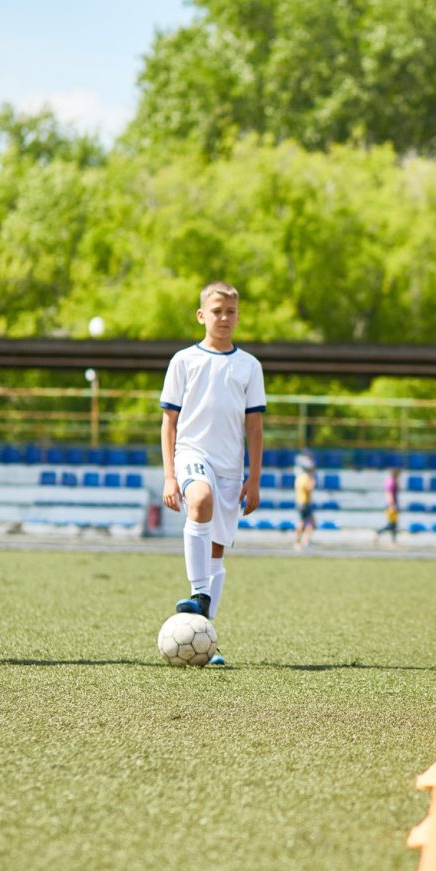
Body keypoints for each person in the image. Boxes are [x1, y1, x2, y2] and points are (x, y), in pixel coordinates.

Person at [160, 281, 265, 666]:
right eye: (217, 311)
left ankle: (205, 635)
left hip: (230, 467)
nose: (224, 317)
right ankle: (199, 594)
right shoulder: (184, 361)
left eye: (231, 312)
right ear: (202, 315)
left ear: (238, 316)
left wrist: (253, 478)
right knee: (198, 500)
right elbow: (169, 422)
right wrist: (170, 476)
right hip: (192, 454)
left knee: (217, 550)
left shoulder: (249, 366)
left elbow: (254, 426)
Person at [292, 455, 317, 550]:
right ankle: (300, 542)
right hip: (303, 503)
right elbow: (308, 489)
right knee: (304, 523)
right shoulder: (305, 478)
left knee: (309, 523)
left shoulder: (300, 477)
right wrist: (313, 481)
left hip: (303, 503)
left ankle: (304, 541)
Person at [375, 466, 401, 544]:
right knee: (391, 524)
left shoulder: (393, 480)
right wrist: (392, 505)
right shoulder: (391, 482)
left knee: (394, 524)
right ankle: (378, 532)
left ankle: (393, 541)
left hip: (393, 504)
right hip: (391, 505)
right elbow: (389, 494)